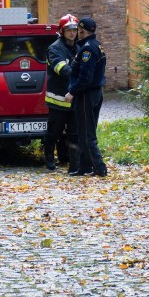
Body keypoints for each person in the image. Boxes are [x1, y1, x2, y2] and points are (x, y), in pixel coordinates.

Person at [64, 17, 108, 177]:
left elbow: (85, 78)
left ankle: (100, 168)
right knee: (87, 131)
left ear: (82, 31)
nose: (76, 33)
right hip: (95, 93)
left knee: (86, 134)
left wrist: (72, 92)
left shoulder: (87, 50)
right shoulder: (97, 46)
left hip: (85, 95)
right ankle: (85, 167)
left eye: (78, 30)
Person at [43, 14, 79, 172]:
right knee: (54, 132)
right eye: (68, 30)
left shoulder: (78, 47)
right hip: (58, 100)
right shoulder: (55, 49)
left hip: (73, 99)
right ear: (62, 31)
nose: (72, 33)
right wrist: (82, 76)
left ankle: (71, 161)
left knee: (73, 133)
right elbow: (63, 70)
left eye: (74, 29)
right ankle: (49, 158)